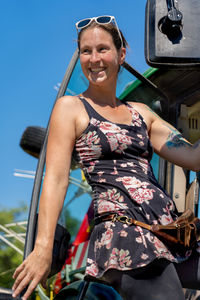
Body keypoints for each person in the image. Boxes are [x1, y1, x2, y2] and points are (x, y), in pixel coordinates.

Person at [12, 15, 200, 300]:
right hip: (126, 236)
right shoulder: (71, 108)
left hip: (169, 232)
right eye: (86, 51)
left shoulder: (142, 113)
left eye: (103, 49)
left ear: (121, 54)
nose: (94, 58)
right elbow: (57, 178)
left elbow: (193, 157)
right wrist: (43, 249)